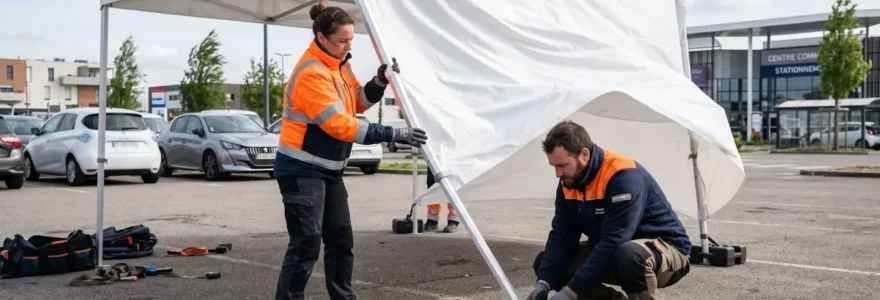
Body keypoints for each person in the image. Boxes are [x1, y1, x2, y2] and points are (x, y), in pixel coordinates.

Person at [273, 1, 428, 299]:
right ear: (321, 38)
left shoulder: (339, 65)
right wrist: (392, 133)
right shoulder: (311, 73)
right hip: (302, 171)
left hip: (329, 172)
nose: (347, 46)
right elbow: (340, 125)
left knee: (341, 241)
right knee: (306, 244)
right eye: (342, 41)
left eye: (351, 40)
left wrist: (379, 81)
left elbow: (357, 101)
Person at [527, 121, 691, 300]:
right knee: (548, 263)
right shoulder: (569, 182)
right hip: (617, 250)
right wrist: (542, 284)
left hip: (665, 252)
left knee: (629, 255)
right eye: (554, 166)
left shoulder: (623, 176)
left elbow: (614, 241)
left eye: (563, 166)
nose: (557, 174)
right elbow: (562, 236)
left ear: (584, 154)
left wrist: (570, 293)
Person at [424, 168, 460, 232]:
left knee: (453, 185)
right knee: (432, 185)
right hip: (434, 159)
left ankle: (453, 221)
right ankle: (432, 220)